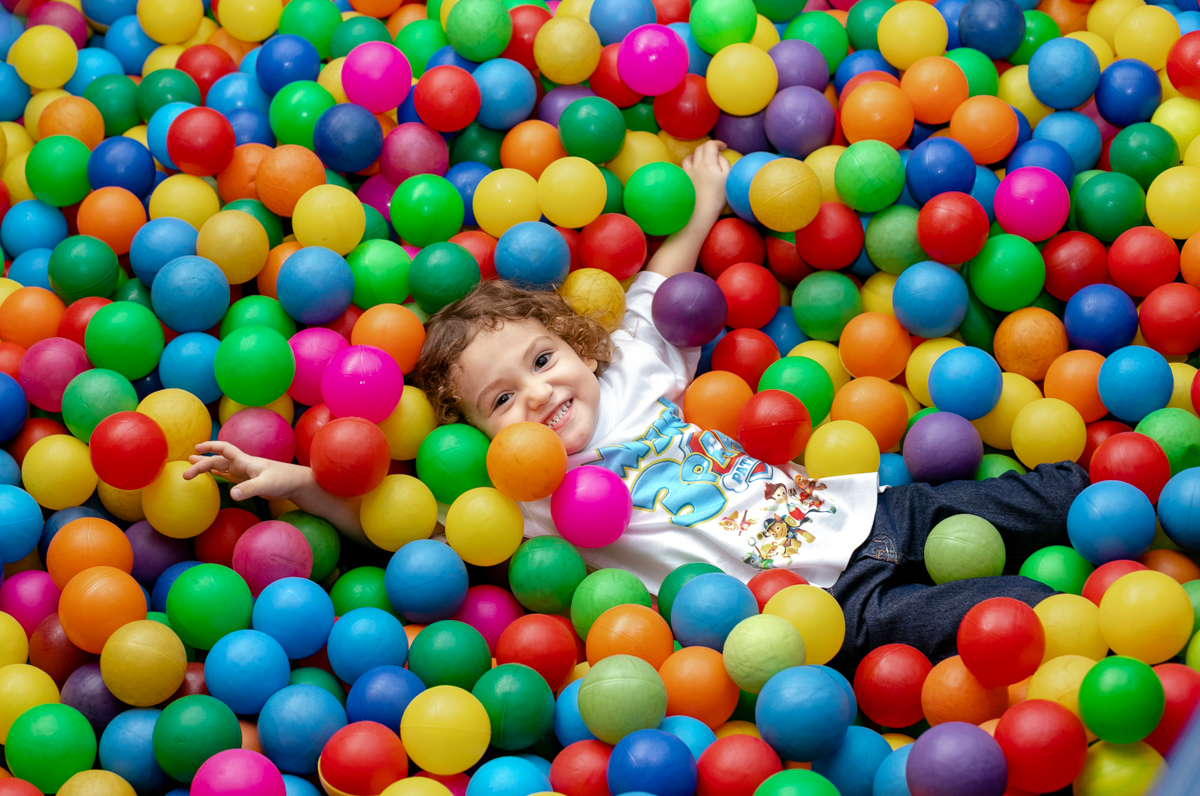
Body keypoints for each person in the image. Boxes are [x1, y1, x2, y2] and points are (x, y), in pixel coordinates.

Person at [184, 141, 1089, 673]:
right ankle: (1107, 632)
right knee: (1002, 623)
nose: (538, 394)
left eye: (542, 360)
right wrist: (298, 479)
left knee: (1056, 498)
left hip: (866, 505)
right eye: (502, 398)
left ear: (581, 346)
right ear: (478, 435)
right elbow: (397, 516)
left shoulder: (633, 370)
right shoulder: (523, 501)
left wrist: (697, 207)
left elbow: (662, 284)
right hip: (821, 607)